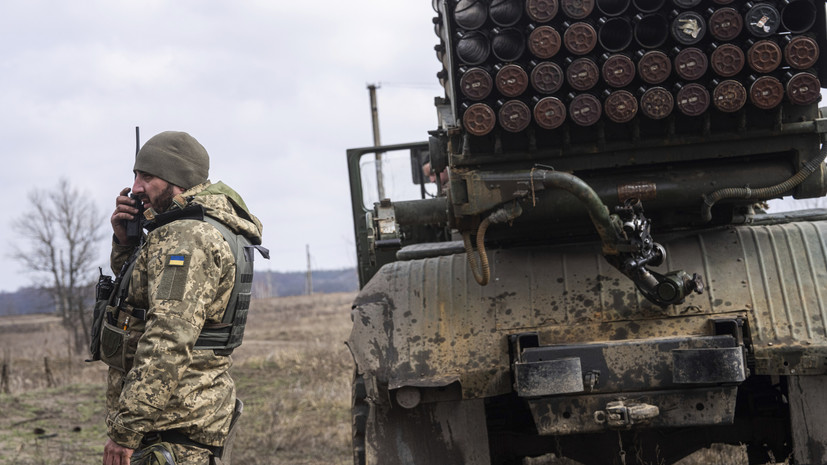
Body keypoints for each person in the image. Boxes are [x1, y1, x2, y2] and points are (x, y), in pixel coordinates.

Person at [101, 131, 265, 465]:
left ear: (177, 180)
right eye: (135, 175)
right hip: (182, 418)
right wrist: (126, 244)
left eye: (147, 176)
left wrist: (126, 431)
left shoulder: (186, 237)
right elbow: (140, 300)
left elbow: (168, 337)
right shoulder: (198, 227)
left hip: (172, 423)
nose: (135, 188)